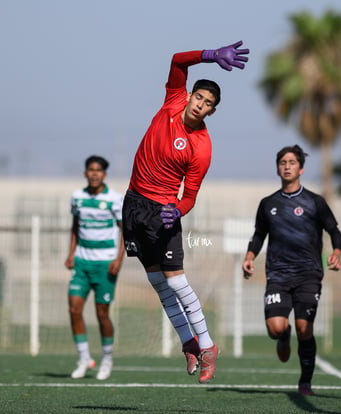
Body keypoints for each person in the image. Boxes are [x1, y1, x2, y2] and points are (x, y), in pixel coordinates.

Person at [122, 41, 249, 384]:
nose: (201, 105)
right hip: (133, 203)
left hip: (161, 212)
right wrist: (209, 55)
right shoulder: (173, 99)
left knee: (176, 280)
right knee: (155, 280)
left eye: (209, 104)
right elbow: (177, 61)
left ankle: (208, 346)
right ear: (190, 96)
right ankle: (189, 343)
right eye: (199, 98)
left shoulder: (201, 148)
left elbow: (190, 197)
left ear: (212, 112)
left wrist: (176, 211)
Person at [242, 145, 341, 396]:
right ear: (278, 167)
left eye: (292, 162)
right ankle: (284, 335)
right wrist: (250, 256)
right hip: (277, 274)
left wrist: (337, 253)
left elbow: (335, 231)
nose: (287, 166)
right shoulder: (268, 204)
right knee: (276, 328)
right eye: (282, 162)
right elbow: (259, 234)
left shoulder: (315, 202)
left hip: (308, 274)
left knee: (305, 328)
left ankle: (305, 382)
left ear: (301, 168)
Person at [65, 155, 125, 380]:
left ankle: (107, 359)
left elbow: (124, 230)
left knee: (102, 314)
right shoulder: (77, 197)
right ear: (85, 173)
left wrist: (119, 260)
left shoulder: (114, 199)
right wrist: (71, 254)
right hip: (81, 262)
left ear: (104, 175)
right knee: (74, 310)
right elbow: (75, 226)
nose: (94, 173)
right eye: (90, 169)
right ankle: (84, 358)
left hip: (105, 264)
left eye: (98, 170)